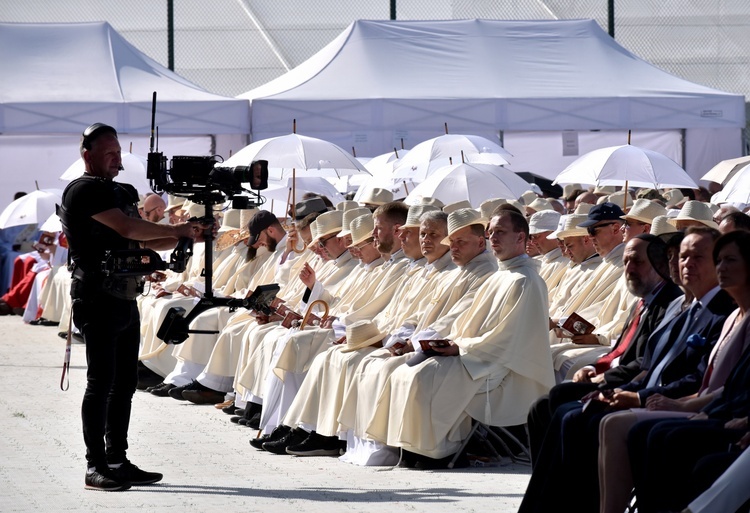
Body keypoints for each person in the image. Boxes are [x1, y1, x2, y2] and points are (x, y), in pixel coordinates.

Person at [59, 123, 204, 491]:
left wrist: (188, 233)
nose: (116, 159)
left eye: (119, 153)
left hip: (125, 297)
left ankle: (117, 459)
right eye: (109, 153)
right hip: (97, 297)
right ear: (87, 155)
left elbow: (147, 240)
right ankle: (95, 466)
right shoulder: (81, 191)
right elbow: (127, 228)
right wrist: (179, 232)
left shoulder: (122, 190)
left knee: (125, 383)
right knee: (100, 382)